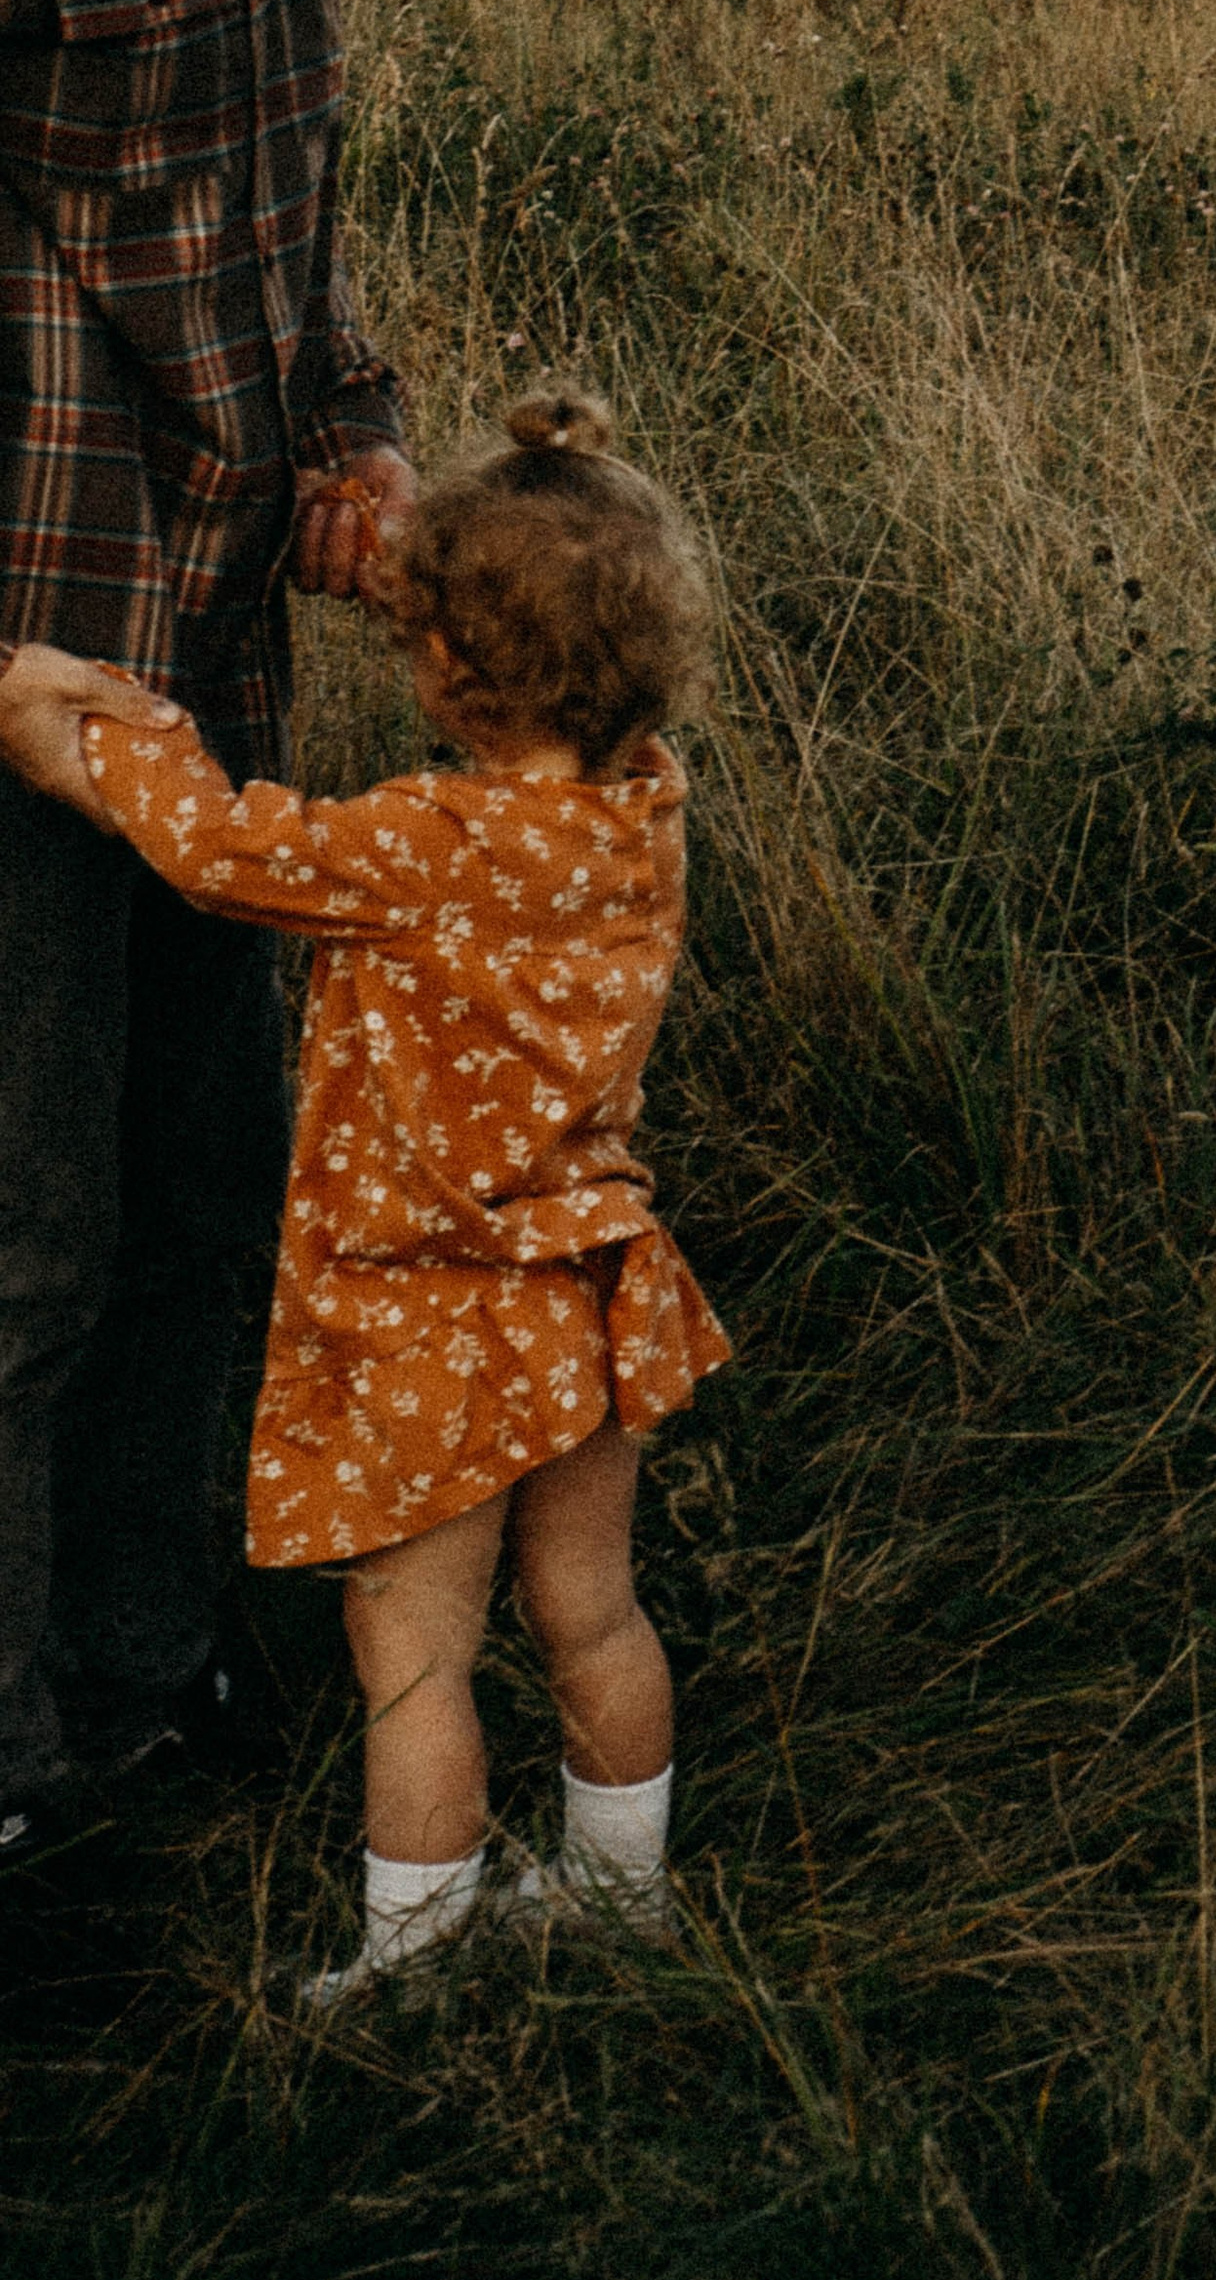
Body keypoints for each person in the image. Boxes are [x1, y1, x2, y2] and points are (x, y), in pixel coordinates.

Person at [0, 390, 733, 1997]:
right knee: (595, 1619)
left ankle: (414, 1964)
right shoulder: (645, 815)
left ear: (453, 671)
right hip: (591, 1283)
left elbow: (220, 853)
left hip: (431, 1309)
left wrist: (113, 744)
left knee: (412, 1659)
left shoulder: (427, 841)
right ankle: (625, 1901)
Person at [0, 0, 415, 1856]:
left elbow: (286, 158)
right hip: (26, 658)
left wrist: (352, 423)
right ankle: (8, 1793)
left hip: (230, 640)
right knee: (12, 1254)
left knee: (190, 1202)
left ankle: (149, 1699)